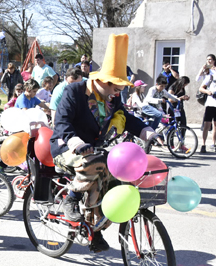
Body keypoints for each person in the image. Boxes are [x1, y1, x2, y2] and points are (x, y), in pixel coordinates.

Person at [50, 34, 154, 252]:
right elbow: (62, 122)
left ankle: (95, 231)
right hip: (65, 147)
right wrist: (75, 141)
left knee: (111, 182)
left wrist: (146, 130)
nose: (120, 92)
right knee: (97, 162)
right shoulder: (74, 91)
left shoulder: (112, 98)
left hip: (92, 151)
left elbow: (125, 117)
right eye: (117, 87)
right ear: (102, 81)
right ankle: (72, 197)